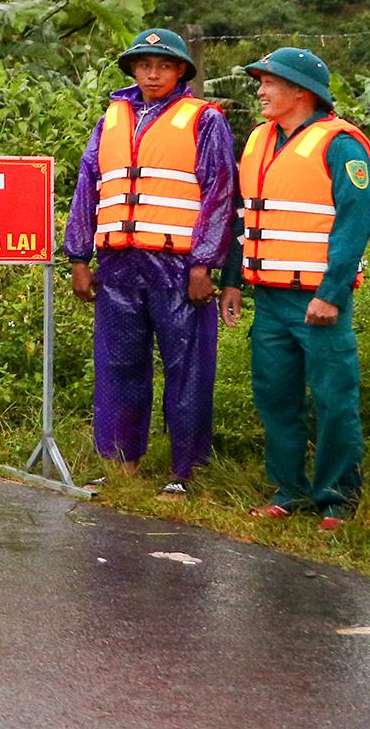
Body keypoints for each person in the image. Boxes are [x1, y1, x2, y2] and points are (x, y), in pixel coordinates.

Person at [62, 28, 236, 495]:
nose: (153, 74)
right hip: (118, 263)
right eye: (144, 65)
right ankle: (121, 463)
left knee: (187, 369)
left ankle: (187, 471)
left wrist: (203, 263)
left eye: (163, 66)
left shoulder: (205, 120)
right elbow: (88, 186)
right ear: (133, 70)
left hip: (178, 266)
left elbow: (220, 192)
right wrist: (78, 257)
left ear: (181, 71)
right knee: (118, 365)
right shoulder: (111, 120)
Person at [227, 47, 368, 531]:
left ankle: (337, 498)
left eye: (269, 83)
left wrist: (331, 293)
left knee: (333, 398)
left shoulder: (341, 145)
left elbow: (355, 222)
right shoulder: (258, 140)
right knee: (275, 396)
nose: (260, 91)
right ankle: (289, 490)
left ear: (301, 92)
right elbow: (244, 217)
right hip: (268, 298)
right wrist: (232, 281)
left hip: (318, 301)